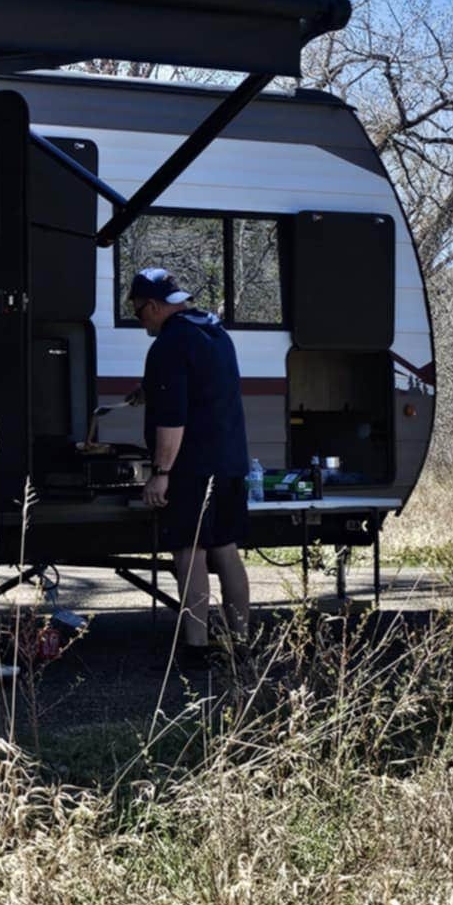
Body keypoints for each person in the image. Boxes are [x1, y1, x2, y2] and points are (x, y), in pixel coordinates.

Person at [127, 267, 250, 668]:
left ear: (155, 306)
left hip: (191, 468)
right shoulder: (214, 332)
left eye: (138, 310)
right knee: (227, 549)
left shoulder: (168, 345)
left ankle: (196, 649)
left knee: (189, 552)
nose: (138, 319)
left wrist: (161, 473)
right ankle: (240, 643)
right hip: (231, 461)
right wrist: (150, 389)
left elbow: (174, 419)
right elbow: (206, 388)